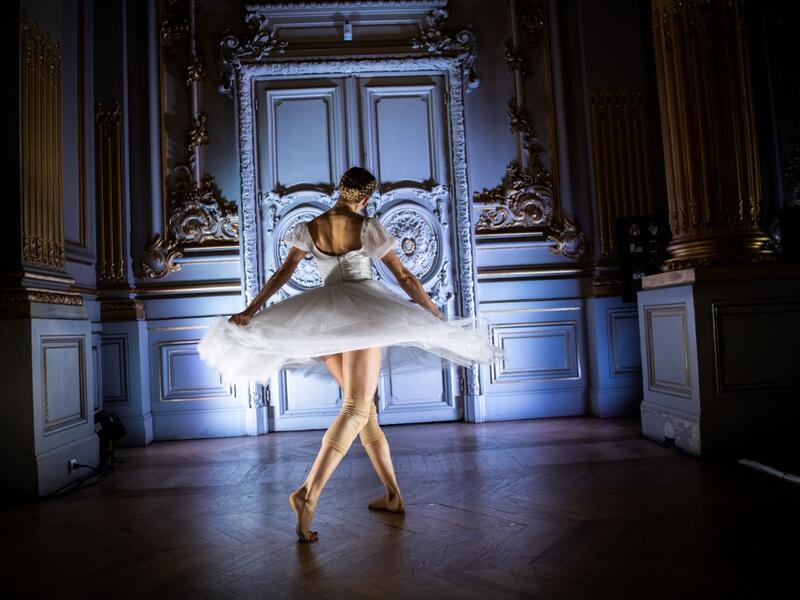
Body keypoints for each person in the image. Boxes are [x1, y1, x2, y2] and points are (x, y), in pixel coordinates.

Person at [198, 167, 504, 543]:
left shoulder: (310, 227)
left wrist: (251, 310)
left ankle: (393, 495)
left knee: (365, 409)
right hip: (362, 315)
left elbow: (283, 273)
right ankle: (308, 493)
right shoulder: (367, 226)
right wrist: (434, 314)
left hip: (323, 320)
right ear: (366, 198)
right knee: (357, 408)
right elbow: (404, 277)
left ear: (340, 191)